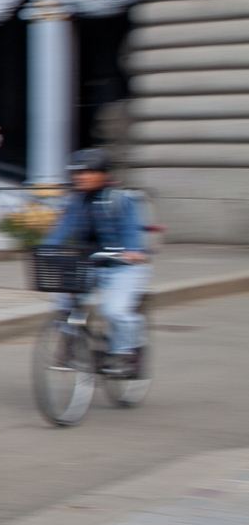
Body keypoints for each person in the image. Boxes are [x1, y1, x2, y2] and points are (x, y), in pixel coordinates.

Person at [44, 148, 150, 376]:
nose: (80, 177)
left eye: (88, 172)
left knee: (114, 311)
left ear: (103, 174)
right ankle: (70, 345)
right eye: (77, 173)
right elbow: (61, 228)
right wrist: (48, 248)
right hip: (88, 264)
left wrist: (133, 250)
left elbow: (132, 228)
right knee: (63, 301)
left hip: (122, 266)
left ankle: (127, 352)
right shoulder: (74, 201)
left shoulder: (121, 199)